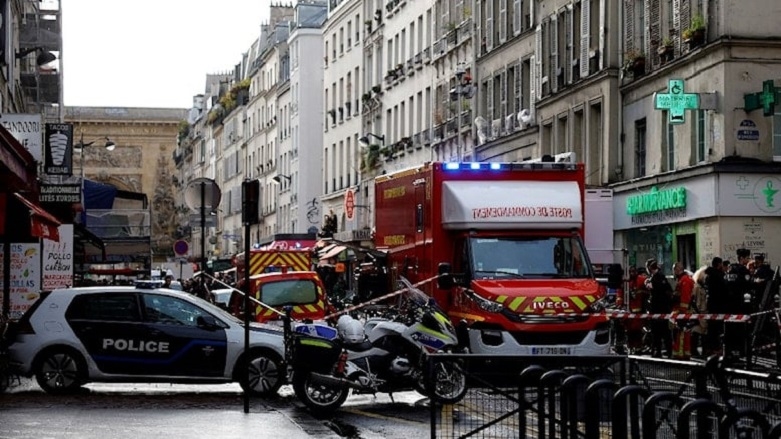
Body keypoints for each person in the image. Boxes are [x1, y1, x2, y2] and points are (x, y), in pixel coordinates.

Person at [723, 248, 753, 357]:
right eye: (747, 258)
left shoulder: (730, 269)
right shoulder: (743, 271)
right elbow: (748, 286)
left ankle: (729, 350)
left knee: (729, 328)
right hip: (740, 305)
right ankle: (741, 351)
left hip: (729, 305)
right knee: (741, 329)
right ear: (742, 258)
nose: (748, 260)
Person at [645, 259, 673, 357]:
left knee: (658, 332)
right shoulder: (660, 277)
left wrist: (649, 285)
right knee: (664, 332)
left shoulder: (657, 278)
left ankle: (658, 351)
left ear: (649, 268)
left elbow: (659, 291)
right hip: (663, 309)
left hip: (658, 309)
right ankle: (666, 351)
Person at [671, 262, 694, 359]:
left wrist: (682, 312)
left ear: (677, 269)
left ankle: (680, 354)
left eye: (674, 270)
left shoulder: (684, 280)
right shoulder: (683, 279)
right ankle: (685, 352)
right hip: (681, 311)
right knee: (684, 333)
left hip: (682, 312)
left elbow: (685, 298)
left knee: (681, 333)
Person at [704, 257, 727, 356]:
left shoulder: (708, 276)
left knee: (711, 328)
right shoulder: (720, 276)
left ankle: (709, 348)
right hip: (719, 305)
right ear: (719, 264)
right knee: (718, 328)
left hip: (710, 304)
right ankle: (717, 348)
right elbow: (724, 289)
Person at [690, 265, 709, 358]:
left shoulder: (702, 287)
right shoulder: (697, 287)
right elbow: (693, 299)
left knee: (702, 331)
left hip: (703, 312)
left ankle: (699, 350)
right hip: (699, 312)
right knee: (699, 331)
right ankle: (695, 350)